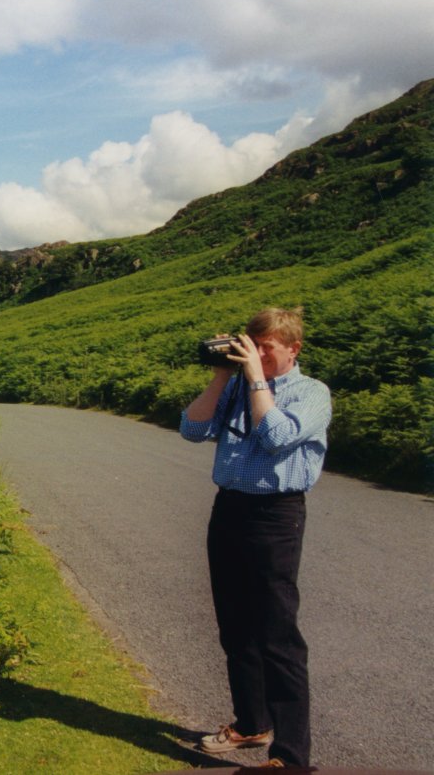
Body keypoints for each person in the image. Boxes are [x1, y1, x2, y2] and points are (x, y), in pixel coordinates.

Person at [180, 306, 332, 769]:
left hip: (275, 515)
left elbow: (277, 436)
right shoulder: (235, 385)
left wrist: (255, 380)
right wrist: (222, 375)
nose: (258, 355)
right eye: (253, 345)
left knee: (276, 635)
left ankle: (290, 757)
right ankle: (251, 723)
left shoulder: (311, 392)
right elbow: (192, 428)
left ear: (294, 349)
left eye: (267, 348)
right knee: (235, 627)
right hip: (229, 507)